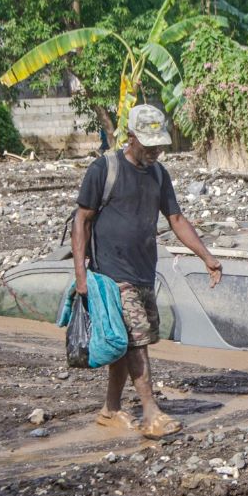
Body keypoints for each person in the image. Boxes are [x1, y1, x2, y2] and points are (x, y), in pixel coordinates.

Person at [72, 104, 222, 438]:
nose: (156, 150)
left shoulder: (158, 174)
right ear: (131, 136)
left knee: (127, 344)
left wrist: (206, 256)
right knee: (137, 340)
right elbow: (81, 220)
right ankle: (151, 413)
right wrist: (81, 276)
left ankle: (110, 410)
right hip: (111, 276)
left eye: (160, 144)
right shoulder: (104, 169)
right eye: (149, 144)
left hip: (144, 272)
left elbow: (177, 219)